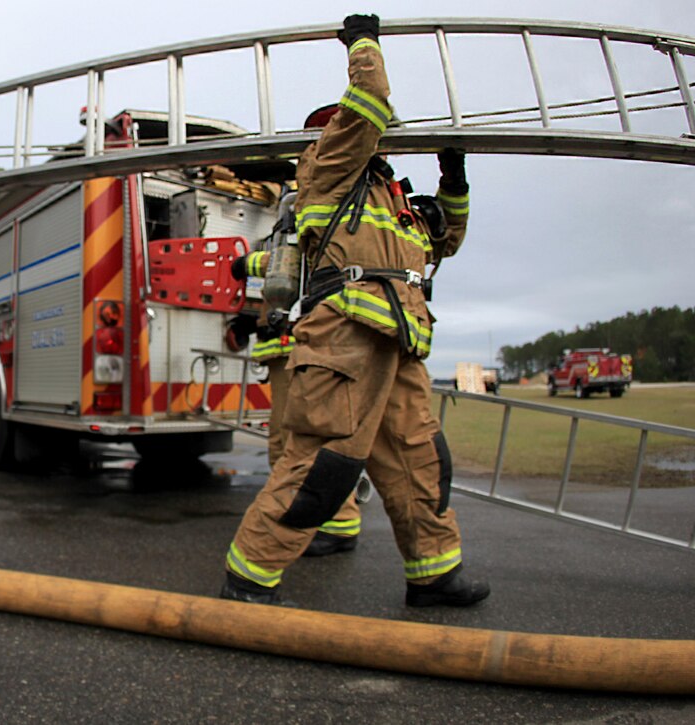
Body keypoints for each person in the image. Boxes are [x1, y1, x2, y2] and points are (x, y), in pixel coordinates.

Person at [220, 14, 489, 608]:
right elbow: (367, 104)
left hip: (400, 340)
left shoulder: (396, 202)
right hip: (345, 334)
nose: (349, 132)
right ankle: (249, 581)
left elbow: (444, 242)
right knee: (322, 463)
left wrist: (454, 181)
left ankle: (434, 574)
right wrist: (363, 45)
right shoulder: (328, 171)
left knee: (420, 460)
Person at [231, 243, 363, 557]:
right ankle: (305, 516)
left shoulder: (314, 231)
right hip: (288, 349)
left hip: (298, 349)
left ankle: (333, 521)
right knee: (288, 441)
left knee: (300, 442)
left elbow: (293, 262)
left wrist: (246, 263)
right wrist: (251, 322)